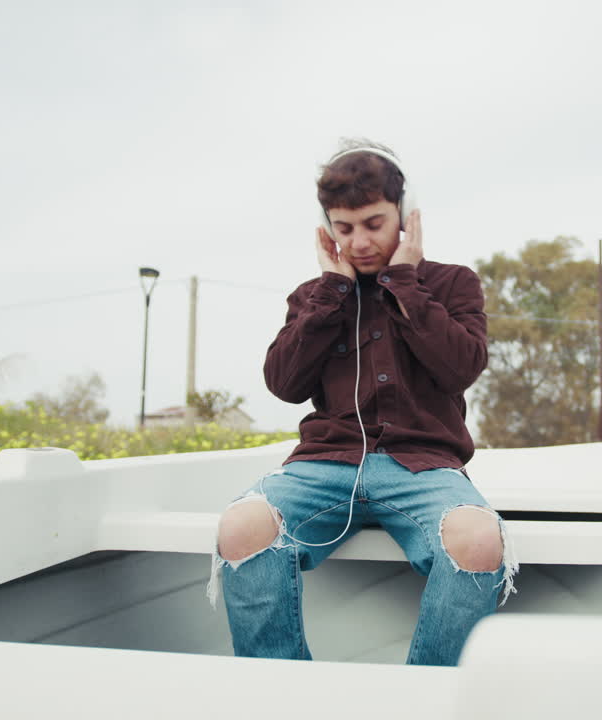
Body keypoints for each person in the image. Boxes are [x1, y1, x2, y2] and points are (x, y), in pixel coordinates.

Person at [206, 139, 517, 667]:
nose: (359, 242)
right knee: (241, 526)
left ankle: (424, 703)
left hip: (423, 467)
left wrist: (404, 282)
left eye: (374, 223)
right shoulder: (314, 295)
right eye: (343, 228)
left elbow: (461, 367)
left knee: (480, 540)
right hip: (325, 465)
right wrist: (333, 291)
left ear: (405, 215)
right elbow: (283, 381)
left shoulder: (451, 283)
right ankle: (284, 700)